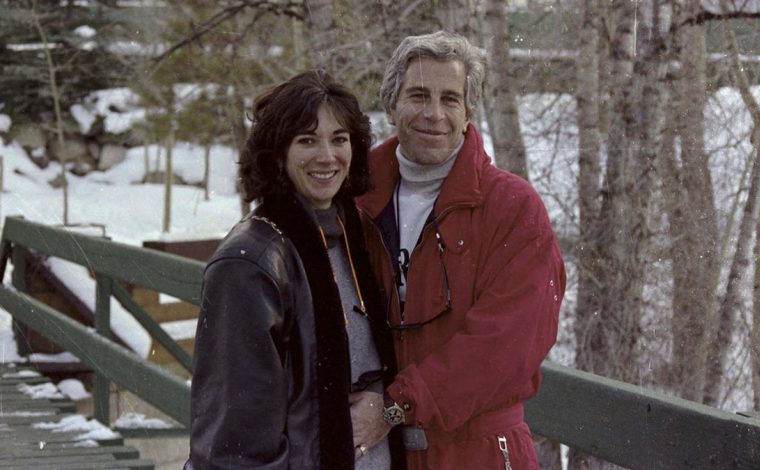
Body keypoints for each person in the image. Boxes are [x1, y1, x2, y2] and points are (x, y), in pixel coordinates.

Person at [350, 31, 566, 469]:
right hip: (380, 453)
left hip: (478, 451)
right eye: (418, 95)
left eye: (450, 99)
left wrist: (397, 405)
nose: (433, 113)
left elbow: (506, 345)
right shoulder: (355, 198)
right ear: (391, 105)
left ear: (469, 113)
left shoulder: (511, 206)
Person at [187, 70, 403, 469]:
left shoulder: (352, 236)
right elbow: (234, 444)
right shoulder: (249, 263)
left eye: (339, 139)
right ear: (277, 152)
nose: (327, 156)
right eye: (307, 140)